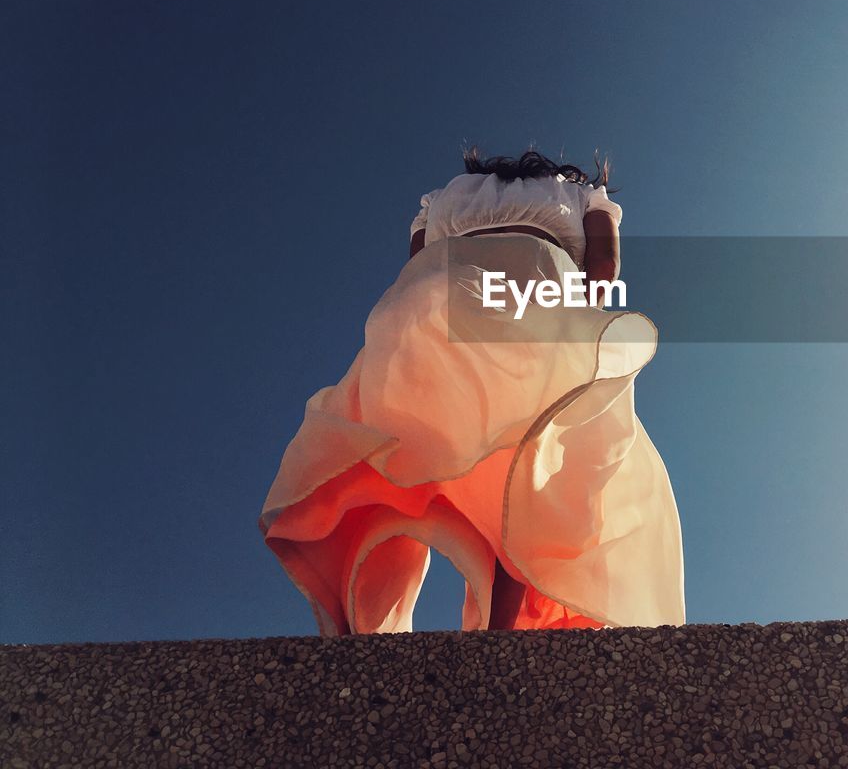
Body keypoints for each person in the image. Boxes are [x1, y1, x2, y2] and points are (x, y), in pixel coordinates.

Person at [258, 147, 684, 633]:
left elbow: (415, 266)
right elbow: (604, 265)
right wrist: (572, 330)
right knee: (523, 471)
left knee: (399, 457)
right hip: (533, 300)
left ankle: (368, 617)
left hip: (437, 298)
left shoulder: (441, 200)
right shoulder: (584, 195)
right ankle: (500, 630)